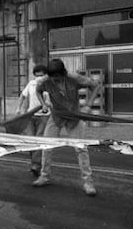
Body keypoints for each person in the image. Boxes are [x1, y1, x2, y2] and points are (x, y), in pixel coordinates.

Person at [32, 58, 101, 196]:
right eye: (53, 78)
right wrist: (44, 104)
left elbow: (96, 86)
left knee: (81, 149)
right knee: (46, 146)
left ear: (63, 74)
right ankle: (44, 176)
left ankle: (88, 182)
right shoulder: (45, 81)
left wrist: (88, 105)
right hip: (56, 116)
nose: (55, 81)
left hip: (73, 117)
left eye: (58, 78)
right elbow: (38, 91)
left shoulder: (74, 79)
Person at [15, 64, 50, 177]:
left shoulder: (49, 86)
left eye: (41, 75)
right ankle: (35, 164)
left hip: (43, 117)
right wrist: (19, 108)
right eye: (37, 75)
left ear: (46, 75)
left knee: (38, 139)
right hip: (31, 116)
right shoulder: (31, 84)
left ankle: (36, 165)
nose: (39, 77)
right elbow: (23, 96)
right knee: (30, 140)